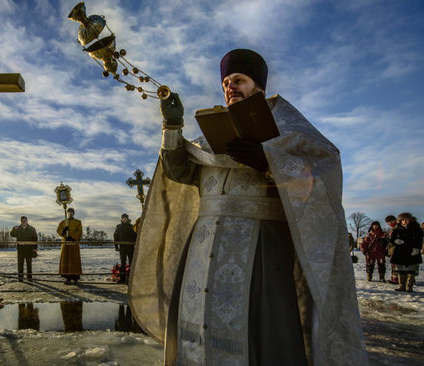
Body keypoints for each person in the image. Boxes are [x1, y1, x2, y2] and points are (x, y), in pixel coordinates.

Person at [129, 49, 368, 365]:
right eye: (226, 82)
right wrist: (172, 127)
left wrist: (269, 160)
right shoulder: (210, 134)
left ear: (259, 87)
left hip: (261, 252)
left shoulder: (287, 127)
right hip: (201, 253)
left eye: (238, 80)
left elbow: (323, 176)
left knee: (260, 336)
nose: (230, 87)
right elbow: (181, 171)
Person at [389, 212, 423, 292]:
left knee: (411, 269)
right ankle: (401, 286)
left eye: (406, 219)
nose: (404, 221)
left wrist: (417, 248)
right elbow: (391, 238)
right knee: (401, 269)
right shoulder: (397, 228)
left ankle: (409, 286)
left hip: (412, 251)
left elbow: (420, 240)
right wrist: (395, 241)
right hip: (400, 251)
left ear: (409, 219)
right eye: (402, 220)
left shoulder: (416, 228)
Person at [57, 207, 82, 285]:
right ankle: (67, 278)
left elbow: (79, 232)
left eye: (71, 212)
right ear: (67, 213)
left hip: (74, 244)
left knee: (74, 260)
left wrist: (72, 237)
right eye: (69, 212)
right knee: (66, 260)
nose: (70, 214)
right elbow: (59, 231)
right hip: (65, 243)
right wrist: (64, 230)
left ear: (73, 213)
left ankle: (75, 278)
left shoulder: (78, 222)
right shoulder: (63, 222)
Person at [10, 216, 38, 282]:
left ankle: (29, 277)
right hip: (20, 249)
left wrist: (34, 248)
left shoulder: (32, 229)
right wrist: (13, 229)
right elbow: (12, 234)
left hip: (29, 249)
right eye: (22, 221)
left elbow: (35, 239)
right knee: (20, 264)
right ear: (21, 221)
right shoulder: (18, 228)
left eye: (24, 221)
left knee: (29, 264)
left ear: (27, 221)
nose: (23, 222)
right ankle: (20, 278)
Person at [113, 213, 137, 284]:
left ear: (127, 219)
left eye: (125, 218)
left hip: (130, 247)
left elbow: (136, 236)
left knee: (131, 262)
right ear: (121, 219)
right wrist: (116, 245)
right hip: (122, 247)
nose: (124, 219)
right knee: (123, 262)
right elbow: (116, 236)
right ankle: (122, 278)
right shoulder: (118, 226)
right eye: (123, 218)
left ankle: (131, 278)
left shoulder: (132, 227)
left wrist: (135, 243)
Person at [385, 215, 399, 284]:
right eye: (388, 222)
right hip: (392, 250)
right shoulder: (393, 228)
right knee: (393, 264)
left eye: (390, 221)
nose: (389, 223)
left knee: (396, 265)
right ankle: (394, 278)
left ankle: (396, 279)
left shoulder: (397, 227)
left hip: (396, 249)